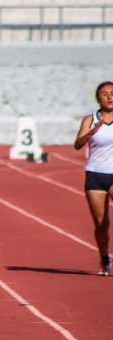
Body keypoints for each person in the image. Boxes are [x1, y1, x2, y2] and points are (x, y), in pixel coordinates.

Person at [74, 81, 113, 276]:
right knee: (101, 224)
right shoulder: (90, 119)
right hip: (95, 174)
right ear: (98, 98)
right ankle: (105, 258)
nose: (109, 97)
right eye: (104, 94)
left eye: (112, 93)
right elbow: (77, 145)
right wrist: (91, 132)